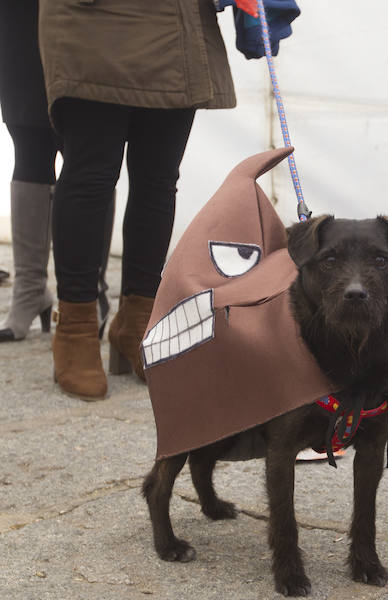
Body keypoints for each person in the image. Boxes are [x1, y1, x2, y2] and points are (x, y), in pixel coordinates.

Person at [38, 0, 236, 400]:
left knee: (159, 179)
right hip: (96, 19)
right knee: (92, 173)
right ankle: (75, 327)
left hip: (178, 23)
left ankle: (138, 321)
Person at [0, 0, 115, 344]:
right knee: (28, 138)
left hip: (82, 13)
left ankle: (90, 289)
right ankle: (30, 290)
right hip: (17, 15)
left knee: (87, 151)